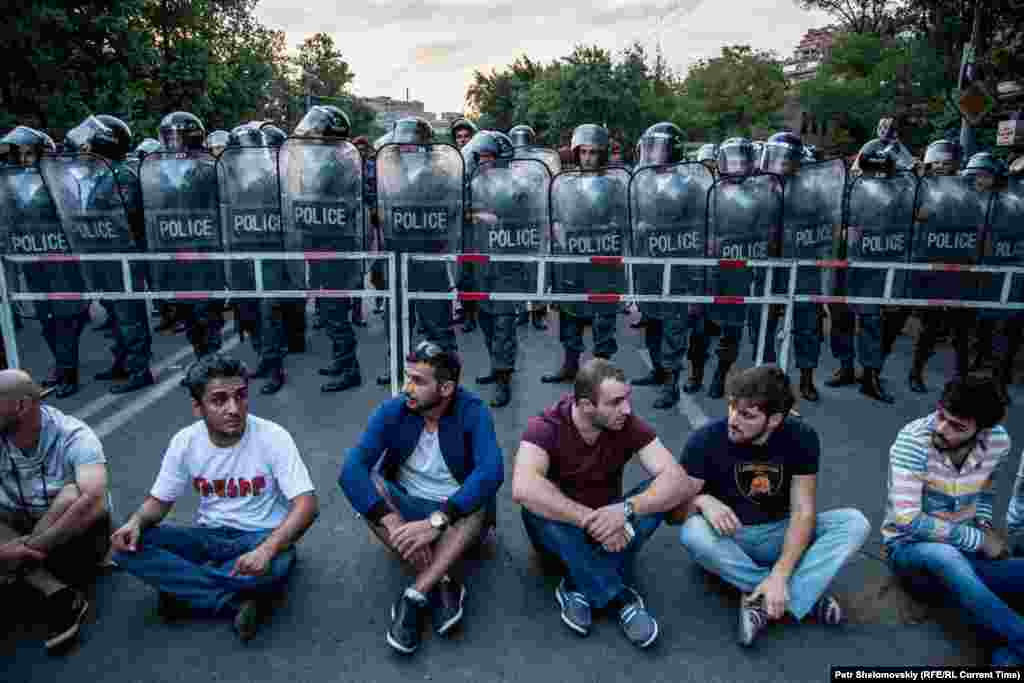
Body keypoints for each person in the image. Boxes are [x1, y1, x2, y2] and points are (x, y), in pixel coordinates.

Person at [111, 354, 318, 642]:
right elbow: (159, 502)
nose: (234, 408)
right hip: (209, 537)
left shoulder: (273, 437)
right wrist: (135, 522)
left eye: (241, 396)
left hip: (260, 538)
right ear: (198, 407)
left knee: (277, 564)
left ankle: (185, 589)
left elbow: (307, 506)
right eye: (219, 400)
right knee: (125, 548)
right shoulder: (185, 442)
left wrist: (266, 550)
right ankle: (231, 600)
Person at [676, 365, 870, 647]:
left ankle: (770, 596)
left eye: (747, 415)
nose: (733, 419)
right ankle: (799, 595)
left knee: (854, 522)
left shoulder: (801, 437)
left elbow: (804, 510)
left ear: (774, 419)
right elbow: (674, 514)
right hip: (730, 539)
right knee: (693, 531)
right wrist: (702, 500)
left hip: (779, 533)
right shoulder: (705, 440)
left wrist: (780, 573)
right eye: (732, 407)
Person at [513, 358, 697, 648]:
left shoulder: (625, 424)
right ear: (586, 406)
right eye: (615, 402)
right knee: (536, 506)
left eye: (627, 399)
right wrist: (593, 520)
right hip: (565, 530)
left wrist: (625, 510)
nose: (627, 409)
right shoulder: (546, 426)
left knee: (657, 492)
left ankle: (577, 585)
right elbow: (523, 487)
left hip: (615, 525)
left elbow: (678, 480)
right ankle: (621, 598)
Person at [340, 341, 503, 654]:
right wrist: (391, 520)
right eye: (407, 377)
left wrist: (437, 521)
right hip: (407, 510)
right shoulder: (393, 409)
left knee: (478, 497)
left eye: (418, 381)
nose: (406, 387)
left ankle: (415, 593)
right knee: (369, 484)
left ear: (445, 388)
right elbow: (351, 470)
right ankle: (443, 579)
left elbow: (492, 471)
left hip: (455, 516)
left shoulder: (473, 411)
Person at [882, 375, 1021, 666]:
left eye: (958, 426)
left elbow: (987, 489)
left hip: (966, 552)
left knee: (997, 576)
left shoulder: (999, 441)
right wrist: (980, 540)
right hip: (910, 548)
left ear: (981, 429)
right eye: (942, 416)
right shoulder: (913, 440)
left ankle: (1007, 656)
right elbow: (907, 520)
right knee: (947, 558)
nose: (942, 428)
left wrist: (983, 524)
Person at [0, 369, 112, 651]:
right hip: (21, 527)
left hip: (73, 535)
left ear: (21, 406)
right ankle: (58, 592)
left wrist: (29, 548)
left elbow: (95, 503)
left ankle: (23, 568)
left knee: (73, 494)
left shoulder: (73, 435)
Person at [1, 126, 88, 398]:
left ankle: (67, 373)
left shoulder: (59, 178)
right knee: (45, 316)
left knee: (64, 316)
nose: (23, 159)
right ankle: (60, 366)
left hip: (60, 259)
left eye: (28, 153)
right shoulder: (9, 183)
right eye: (19, 154)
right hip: (31, 258)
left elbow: (74, 215)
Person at [825, 137, 911, 403]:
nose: (877, 175)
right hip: (844, 262)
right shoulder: (850, 188)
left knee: (871, 320)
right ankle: (846, 367)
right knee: (840, 318)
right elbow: (835, 217)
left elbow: (916, 215)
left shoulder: (901, 191)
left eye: (881, 170)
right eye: (873, 170)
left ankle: (871, 374)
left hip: (875, 264)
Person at [543, 124, 625, 384]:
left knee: (604, 319)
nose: (587, 157)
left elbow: (624, 219)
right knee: (570, 314)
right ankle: (570, 366)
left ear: (602, 154)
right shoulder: (564, 184)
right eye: (584, 152)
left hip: (604, 259)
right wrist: (556, 226)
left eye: (593, 152)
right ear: (577, 153)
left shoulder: (615, 184)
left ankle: (603, 375)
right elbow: (555, 215)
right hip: (574, 259)